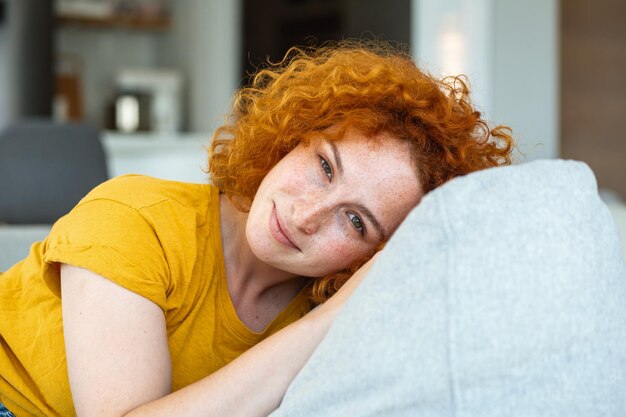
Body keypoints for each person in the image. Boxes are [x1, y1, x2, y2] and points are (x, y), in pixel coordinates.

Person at [0, 40, 513, 417]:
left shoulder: (328, 308)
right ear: (293, 136)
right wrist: (331, 318)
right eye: (325, 167)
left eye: (356, 222)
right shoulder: (135, 216)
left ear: (372, 258)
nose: (305, 215)